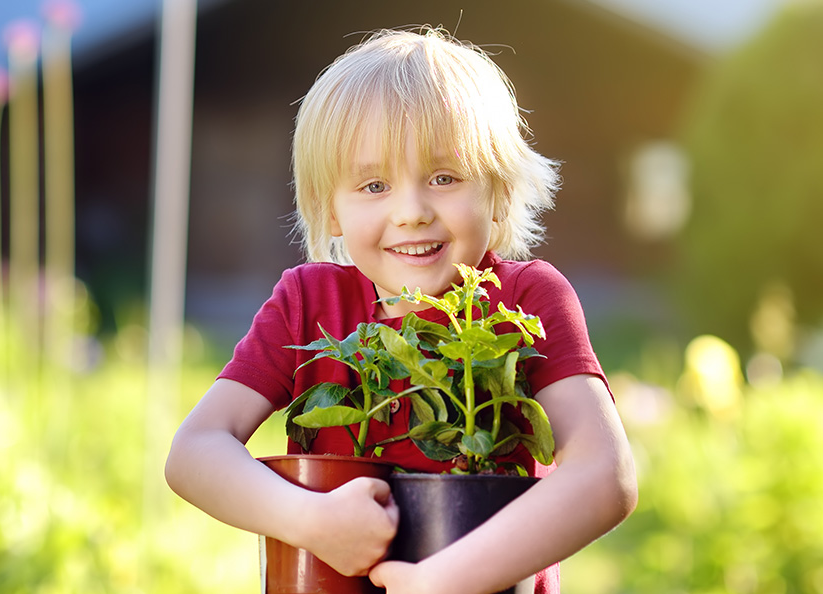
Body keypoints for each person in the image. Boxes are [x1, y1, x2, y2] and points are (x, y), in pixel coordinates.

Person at [164, 27, 637, 594]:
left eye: (444, 177)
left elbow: (604, 475)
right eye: (373, 185)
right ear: (329, 210)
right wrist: (309, 521)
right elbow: (194, 453)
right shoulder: (308, 303)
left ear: (500, 191)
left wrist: (446, 581)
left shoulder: (525, 299)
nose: (411, 211)